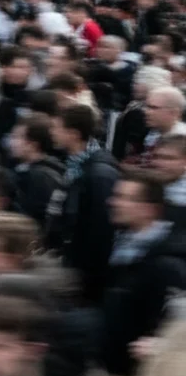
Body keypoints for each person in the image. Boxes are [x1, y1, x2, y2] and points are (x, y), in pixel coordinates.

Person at [100, 169, 186, 376]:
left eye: (123, 198)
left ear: (149, 210)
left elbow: (174, 322)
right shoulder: (125, 245)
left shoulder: (167, 263)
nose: (112, 202)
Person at [49, 104, 119, 304]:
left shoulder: (98, 174)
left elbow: (100, 230)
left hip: (85, 275)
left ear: (73, 134)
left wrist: (83, 274)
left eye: (56, 128)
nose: (51, 132)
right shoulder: (76, 166)